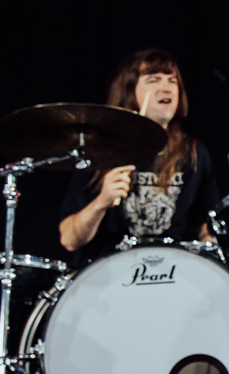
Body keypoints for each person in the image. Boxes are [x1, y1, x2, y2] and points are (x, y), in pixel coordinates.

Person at [59, 48, 220, 260]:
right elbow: (70, 240)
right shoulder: (101, 152)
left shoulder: (193, 153)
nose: (166, 88)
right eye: (153, 80)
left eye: (172, 81)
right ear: (129, 91)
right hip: (108, 274)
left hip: (169, 273)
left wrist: (212, 247)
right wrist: (102, 201)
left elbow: (206, 228)